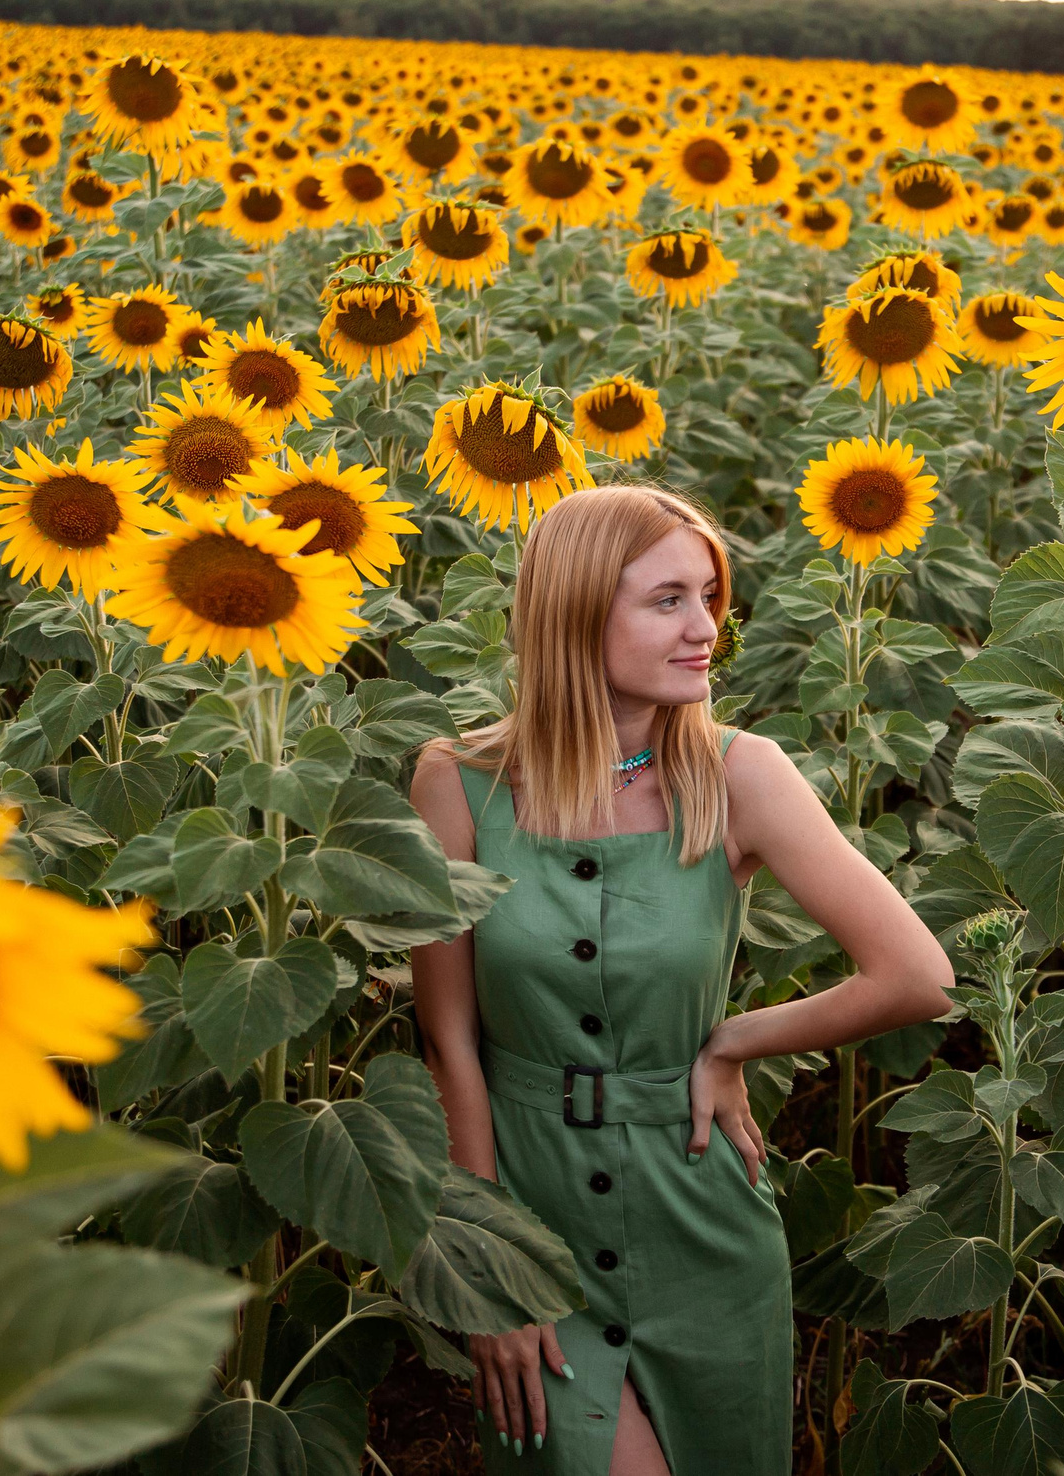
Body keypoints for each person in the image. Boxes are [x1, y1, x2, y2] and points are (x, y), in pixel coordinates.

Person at [409, 485, 955, 1475]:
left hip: (700, 1226)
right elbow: (449, 1041)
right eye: (668, 600)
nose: (706, 629)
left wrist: (737, 1039)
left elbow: (917, 975)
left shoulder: (738, 774)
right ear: (575, 611)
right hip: (534, 1225)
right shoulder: (455, 783)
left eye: (708, 597)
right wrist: (487, 1263)